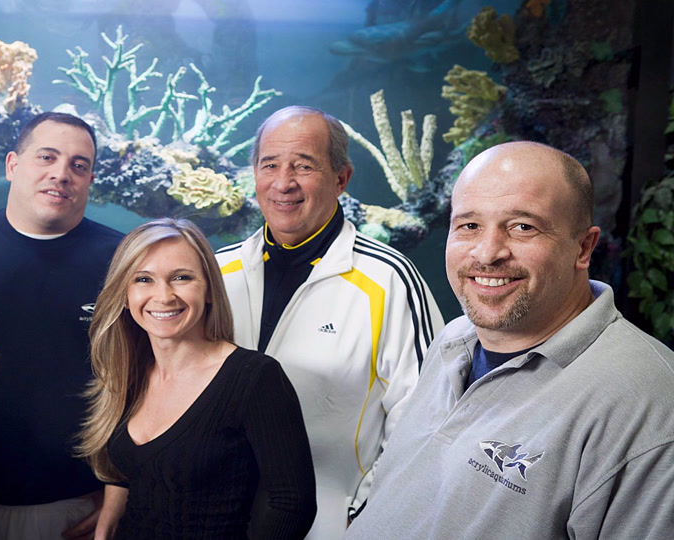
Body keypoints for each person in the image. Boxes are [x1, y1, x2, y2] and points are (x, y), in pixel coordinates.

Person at [346, 141, 674, 538]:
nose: (487, 253)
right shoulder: (454, 339)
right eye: (469, 225)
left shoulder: (650, 405)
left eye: (522, 227)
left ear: (583, 247)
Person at [215, 105, 443, 538]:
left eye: (304, 166)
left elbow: (426, 415)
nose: (283, 183)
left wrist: (368, 514)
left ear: (341, 178)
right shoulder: (213, 273)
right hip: (214, 521)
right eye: (269, 165)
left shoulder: (389, 280)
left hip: (331, 527)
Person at [78, 218, 317, 539]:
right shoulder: (128, 372)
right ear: (124, 294)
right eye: (144, 279)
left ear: (209, 290)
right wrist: (106, 525)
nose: (163, 296)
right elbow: (136, 469)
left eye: (181, 277)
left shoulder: (255, 378)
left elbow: (292, 504)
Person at [0, 111, 123, 539]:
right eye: (47, 157)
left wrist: (122, 485)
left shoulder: (125, 259)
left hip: (80, 500)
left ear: (91, 179)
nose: (61, 174)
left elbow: (150, 376)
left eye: (78, 165)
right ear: (12, 165)